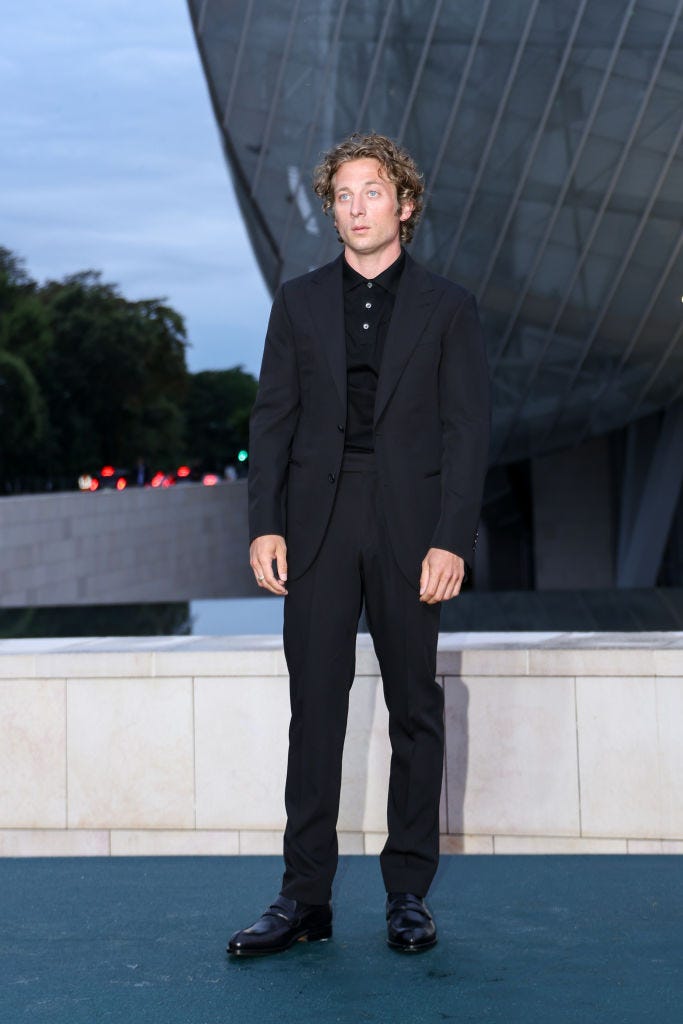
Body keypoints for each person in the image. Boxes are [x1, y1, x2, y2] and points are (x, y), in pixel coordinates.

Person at [228, 133, 490, 957]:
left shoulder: (449, 307)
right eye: (342, 194)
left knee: (415, 709)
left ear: (403, 205)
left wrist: (452, 538)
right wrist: (264, 521)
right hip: (317, 521)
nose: (355, 206)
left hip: (412, 525)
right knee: (315, 712)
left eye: (371, 192)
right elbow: (271, 419)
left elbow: (468, 432)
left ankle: (407, 894)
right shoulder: (297, 301)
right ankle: (303, 897)